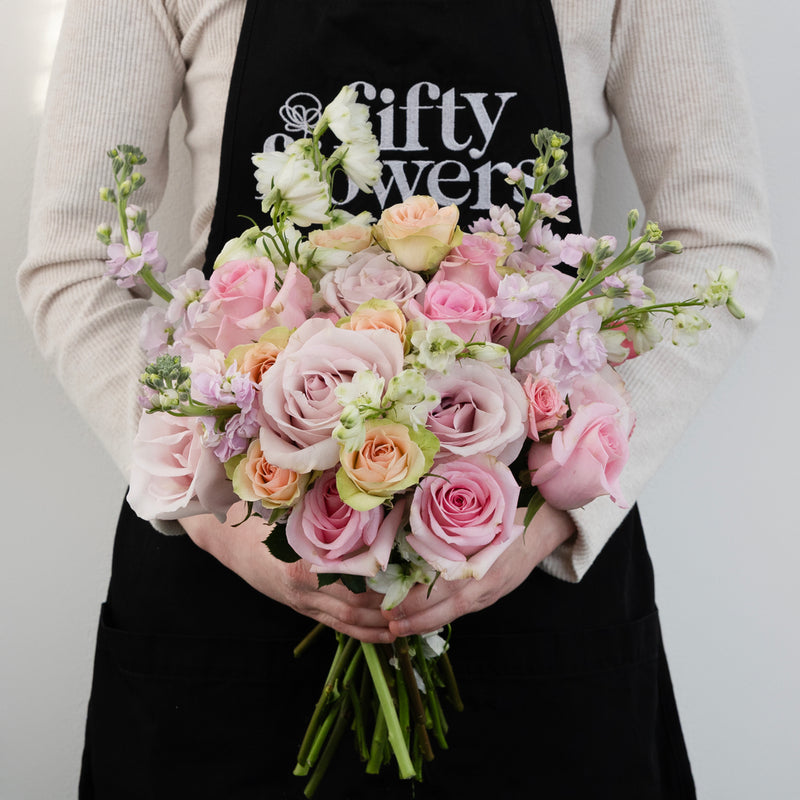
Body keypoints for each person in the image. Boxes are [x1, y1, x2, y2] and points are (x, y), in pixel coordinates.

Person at [18, 1, 773, 798]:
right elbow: (77, 261)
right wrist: (221, 521)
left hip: (537, 585)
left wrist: (556, 513)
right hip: (233, 579)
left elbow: (717, 244)